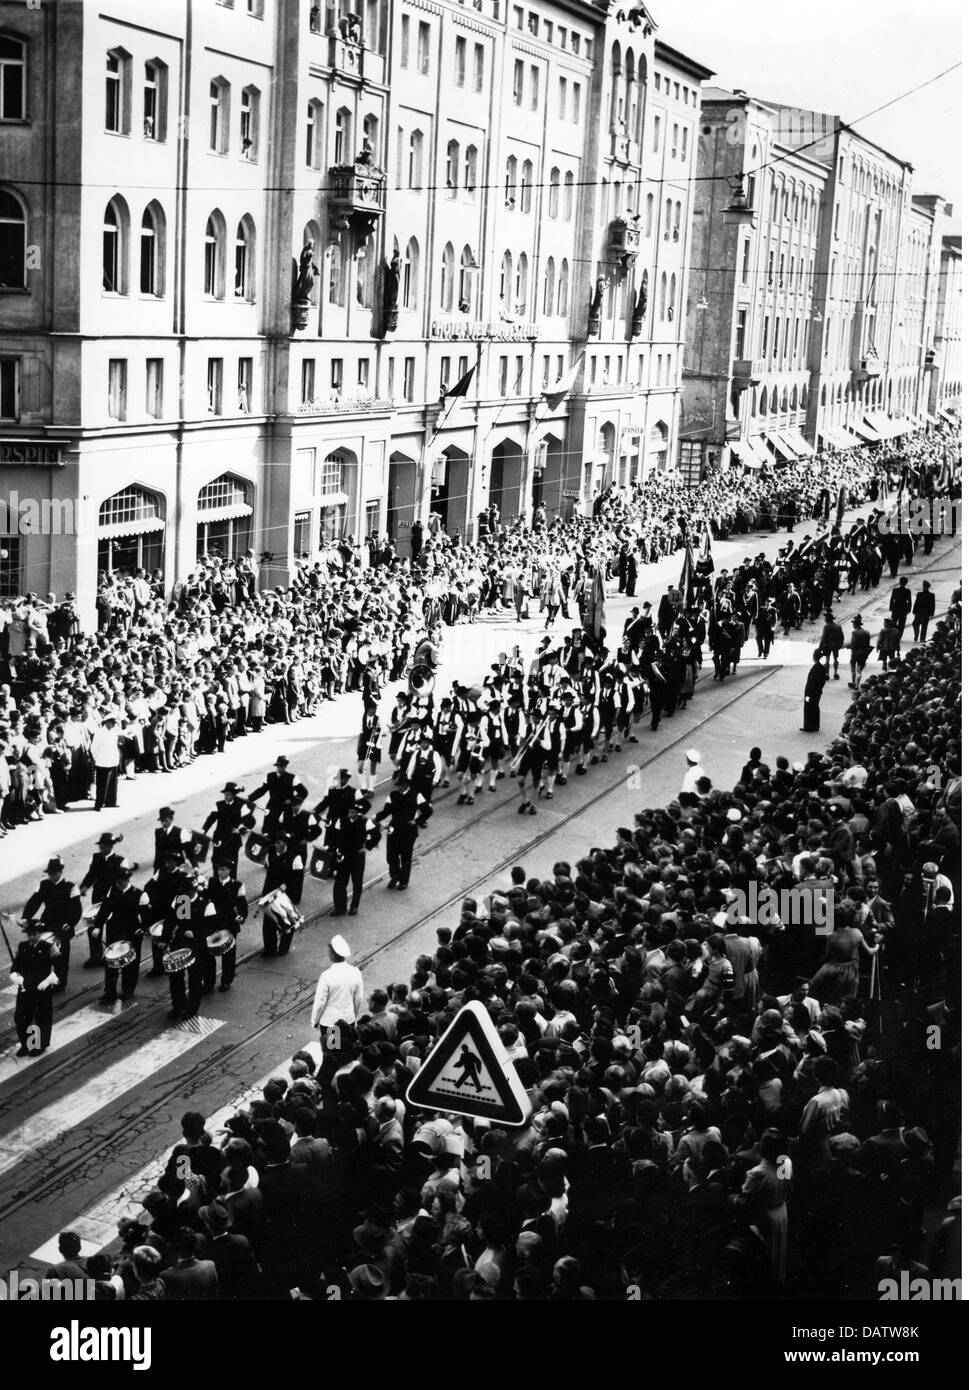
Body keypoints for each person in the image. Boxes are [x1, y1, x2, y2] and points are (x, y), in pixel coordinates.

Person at [23, 855, 83, 991]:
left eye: (53, 874)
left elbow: (76, 909)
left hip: (63, 926)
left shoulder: (71, 887)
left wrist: (70, 923)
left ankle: (60, 983)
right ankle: (44, 978)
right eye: (49, 874)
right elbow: (34, 901)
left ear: (60, 872)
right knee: (43, 953)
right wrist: (26, 917)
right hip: (47, 923)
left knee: (61, 957)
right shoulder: (44, 885)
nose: (51, 876)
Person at [310, 934, 365, 1082]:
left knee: (331, 1055)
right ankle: (343, 1078)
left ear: (333, 953)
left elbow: (320, 1002)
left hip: (330, 1023)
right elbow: (358, 998)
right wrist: (353, 1014)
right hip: (348, 1020)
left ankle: (328, 1080)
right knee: (345, 1052)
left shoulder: (327, 975)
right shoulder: (355, 972)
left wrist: (315, 1021)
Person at [9, 918, 59, 1056]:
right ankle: (26, 1045)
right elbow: (16, 966)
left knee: (41, 1017)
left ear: (40, 934)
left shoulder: (49, 947)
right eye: (29, 934)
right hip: (26, 987)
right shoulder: (22, 946)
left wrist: (48, 981)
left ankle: (39, 1046)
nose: (31, 937)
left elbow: (60, 968)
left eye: (34, 934)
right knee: (21, 1016)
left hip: (42, 988)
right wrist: (14, 976)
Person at [331, 799, 379, 918]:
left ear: (358, 813)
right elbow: (335, 836)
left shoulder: (365, 822)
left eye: (354, 812)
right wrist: (336, 849)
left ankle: (354, 906)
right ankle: (340, 907)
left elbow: (377, 835)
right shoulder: (341, 821)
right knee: (340, 882)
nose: (351, 814)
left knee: (357, 882)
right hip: (344, 855)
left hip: (357, 856)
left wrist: (367, 847)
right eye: (350, 812)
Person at [91, 715, 121, 811]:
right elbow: (93, 748)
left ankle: (111, 802)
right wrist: (99, 759)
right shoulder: (100, 732)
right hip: (103, 762)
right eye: (112, 722)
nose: (113, 725)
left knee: (113, 783)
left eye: (114, 723)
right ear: (107, 722)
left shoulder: (113, 731)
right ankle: (99, 804)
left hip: (113, 760)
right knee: (102, 785)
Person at [801, 648, 828, 733]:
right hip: (818, 692)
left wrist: (808, 694)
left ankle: (809, 726)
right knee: (815, 707)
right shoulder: (822, 668)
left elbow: (811, 683)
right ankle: (815, 725)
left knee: (809, 708)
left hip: (812, 692)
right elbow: (823, 681)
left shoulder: (815, 668)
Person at [848, 615, 872, 689]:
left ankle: (853, 682)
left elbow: (853, 645)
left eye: (853, 623)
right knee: (859, 669)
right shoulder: (867, 632)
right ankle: (857, 685)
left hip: (855, 653)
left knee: (852, 667)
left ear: (855, 624)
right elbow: (868, 644)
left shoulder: (855, 633)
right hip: (864, 653)